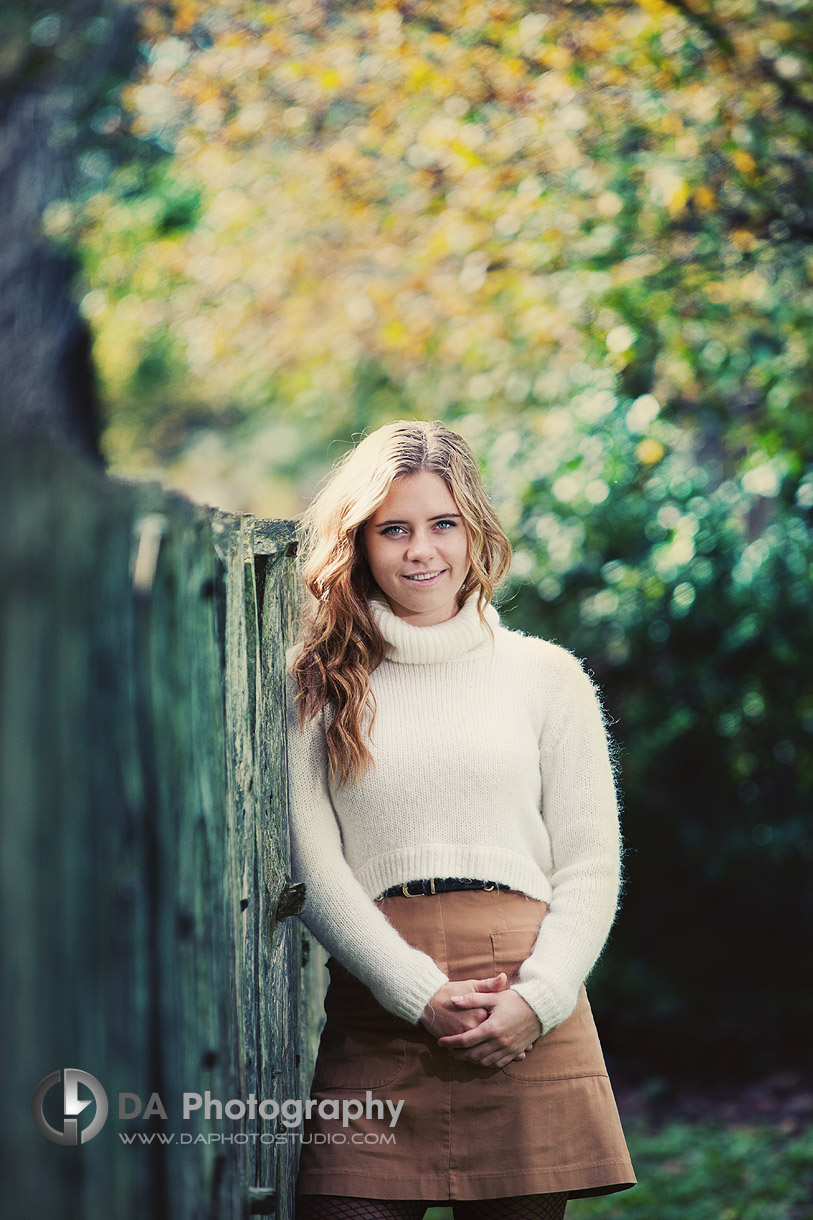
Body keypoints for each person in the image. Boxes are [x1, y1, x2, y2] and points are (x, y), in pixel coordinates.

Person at [285, 420, 636, 1220]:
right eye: (394, 529)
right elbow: (315, 866)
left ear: (475, 531)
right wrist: (413, 990)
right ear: (360, 544)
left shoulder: (547, 677)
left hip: (522, 1000)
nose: (421, 551)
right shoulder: (320, 682)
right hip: (381, 1001)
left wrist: (537, 1000)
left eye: (442, 524)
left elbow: (587, 864)